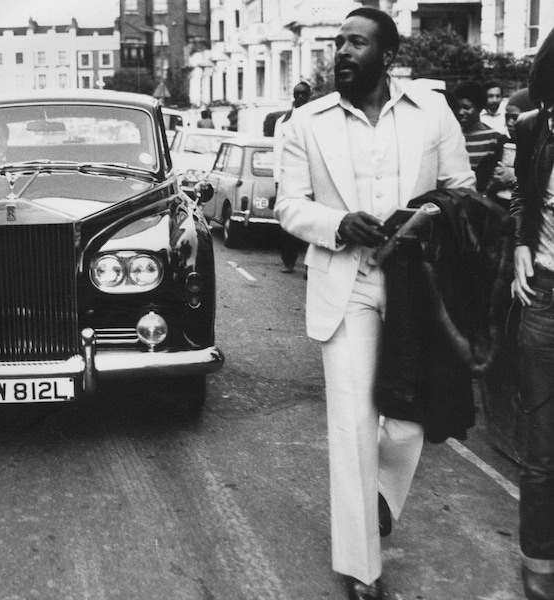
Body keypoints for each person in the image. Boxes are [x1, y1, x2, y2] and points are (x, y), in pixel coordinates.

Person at [274, 7, 475, 599]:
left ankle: (381, 496)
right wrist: (339, 223)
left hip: (417, 287)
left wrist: (432, 217)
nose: (342, 52)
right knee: (352, 424)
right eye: (338, 42)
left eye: (356, 43)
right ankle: (362, 568)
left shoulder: (430, 111)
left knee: (412, 416)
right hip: (347, 283)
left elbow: (461, 190)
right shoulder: (305, 123)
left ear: (386, 56)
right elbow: (290, 205)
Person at [510, 25, 554, 600]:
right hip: (544, 297)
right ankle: (539, 561)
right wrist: (521, 241)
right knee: (543, 450)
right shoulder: (533, 129)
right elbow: (524, 192)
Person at [273, 81, 313, 273]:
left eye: (303, 94)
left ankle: (309, 265)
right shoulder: (283, 122)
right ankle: (288, 261)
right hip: (288, 178)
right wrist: (277, 180)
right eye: (297, 94)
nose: (300, 97)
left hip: (313, 179)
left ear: (309, 95)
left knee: (311, 223)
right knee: (288, 224)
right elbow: (277, 152)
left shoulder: (316, 119)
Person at [453, 80, 506, 192]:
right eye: (457, 108)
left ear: (479, 108)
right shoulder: (452, 136)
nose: (461, 112)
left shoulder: (496, 138)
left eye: (466, 107)